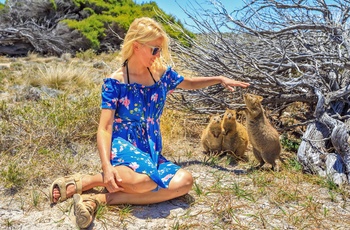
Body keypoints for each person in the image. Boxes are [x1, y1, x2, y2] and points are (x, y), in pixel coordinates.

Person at [50, 17, 250, 229]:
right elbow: (104, 128)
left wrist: (219, 78)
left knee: (185, 182)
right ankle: (91, 180)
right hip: (122, 144)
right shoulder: (115, 82)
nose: (159, 55)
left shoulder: (161, 74)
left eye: (160, 50)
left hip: (150, 147)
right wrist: (106, 167)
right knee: (146, 181)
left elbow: (188, 83)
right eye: (155, 49)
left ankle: (99, 200)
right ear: (136, 46)